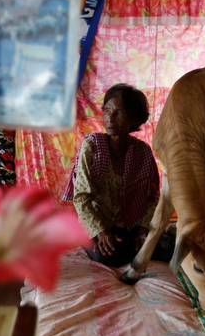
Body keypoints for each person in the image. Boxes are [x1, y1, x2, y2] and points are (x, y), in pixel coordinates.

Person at [64, 84, 166, 268]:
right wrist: (101, 232)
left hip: (129, 227)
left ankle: (134, 244)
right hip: (96, 226)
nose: (110, 118)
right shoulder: (92, 145)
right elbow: (81, 197)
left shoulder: (142, 151)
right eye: (107, 111)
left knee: (163, 247)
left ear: (133, 118)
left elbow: (153, 197)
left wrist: (142, 230)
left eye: (118, 112)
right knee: (108, 255)